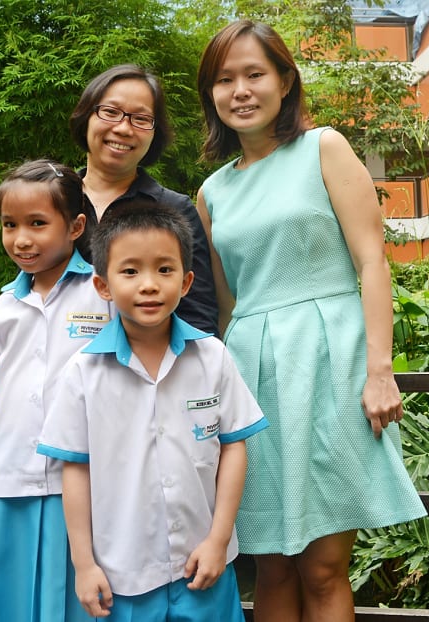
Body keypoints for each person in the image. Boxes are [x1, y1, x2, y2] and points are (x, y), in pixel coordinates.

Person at [194, 20, 427, 622]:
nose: (240, 90)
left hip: (332, 362)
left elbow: (372, 262)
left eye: (254, 74)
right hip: (252, 372)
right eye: (225, 80)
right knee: (270, 564)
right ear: (211, 95)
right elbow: (223, 305)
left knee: (324, 566)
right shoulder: (211, 191)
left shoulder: (323, 146)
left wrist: (381, 371)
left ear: (285, 80)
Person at [37, 203, 269, 621]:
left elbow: (234, 447)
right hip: (122, 576)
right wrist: (84, 564)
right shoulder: (83, 372)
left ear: (187, 281)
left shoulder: (212, 358)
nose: (149, 285)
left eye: (165, 270)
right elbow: (75, 468)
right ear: (103, 286)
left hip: (203, 566)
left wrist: (218, 541)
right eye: (130, 272)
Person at [0, 64, 218, 377]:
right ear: (86, 116)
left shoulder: (173, 208)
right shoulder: (49, 203)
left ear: (155, 134)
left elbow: (198, 318)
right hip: (56, 394)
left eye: (140, 118)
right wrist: (0, 344)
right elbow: (35, 294)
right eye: (110, 112)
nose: (124, 128)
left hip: (144, 387)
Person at [0, 159, 113, 622]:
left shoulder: (103, 293)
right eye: (9, 225)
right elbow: (10, 377)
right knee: (2, 600)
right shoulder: (5, 304)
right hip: (10, 472)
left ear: (76, 226)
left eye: (38, 223)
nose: (21, 239)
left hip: (81, 478)